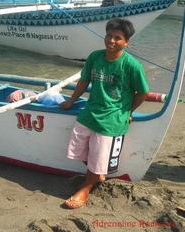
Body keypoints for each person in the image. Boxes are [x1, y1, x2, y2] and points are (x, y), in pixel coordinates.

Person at [59, 18, 149, 209]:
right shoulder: (95, 57)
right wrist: (71, 101)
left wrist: (128, 111)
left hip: (113, 116)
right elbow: (83, 81)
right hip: (91, 111)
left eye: (118, 38)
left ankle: (86, 187)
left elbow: (142, 93)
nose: (111, 40)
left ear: (126, 42)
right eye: (109, 35)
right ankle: (97, 174)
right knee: (77, 144)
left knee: (99, 152)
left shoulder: (132, 65)